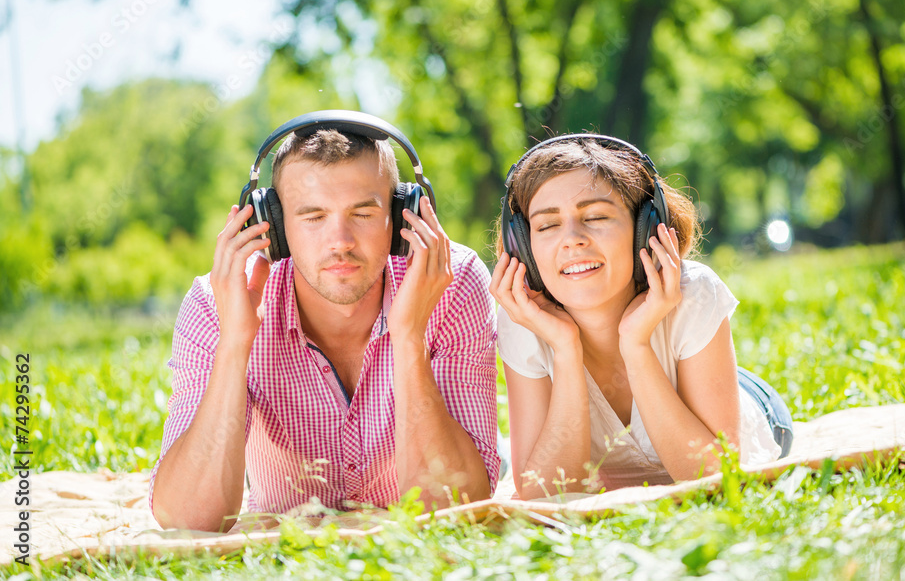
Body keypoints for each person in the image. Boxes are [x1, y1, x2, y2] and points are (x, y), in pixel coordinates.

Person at [150, 111, 501, 532]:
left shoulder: (451, 280)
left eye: (364, 213)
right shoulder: (216, 302)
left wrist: (408, 337)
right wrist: (234, 344)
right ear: (273, 227)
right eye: (313, 217)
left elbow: (455, 509)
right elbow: (186, 521)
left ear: (402, 215)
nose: (340, 242)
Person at [490, 135, 792, 499]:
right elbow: (544, 493)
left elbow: (713, 475)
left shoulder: (693, 292)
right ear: (522, 245)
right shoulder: (524, 318)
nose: (572, 239)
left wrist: (636, 344)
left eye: (596, 216)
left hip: (751, 405)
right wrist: (566, 349)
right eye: (547, 225)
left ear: (645, 228)